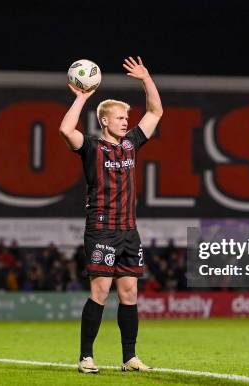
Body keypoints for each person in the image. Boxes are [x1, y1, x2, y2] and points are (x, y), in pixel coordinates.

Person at [59, 56, 162, 373]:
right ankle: (86, 357)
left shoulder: (131, 144)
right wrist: (81, 98)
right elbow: (65, 129)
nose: (124, 122)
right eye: (119, 118)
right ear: (104, 121)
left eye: (126, 118)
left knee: (129, 292)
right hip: (101, 230)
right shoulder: (90, 147)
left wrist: (146, 79)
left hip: (129, 230)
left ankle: (129, 357)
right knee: (101, 291)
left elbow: (156, 112)